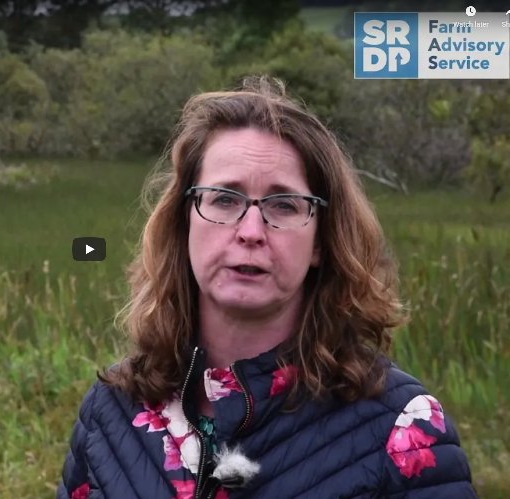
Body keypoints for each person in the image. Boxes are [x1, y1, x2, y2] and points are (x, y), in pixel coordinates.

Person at [56, 76, 477, 499]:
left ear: (320, 241)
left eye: (283, 205)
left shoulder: (404, 427)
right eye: (224, 199)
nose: (251, 231)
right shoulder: (111, 408)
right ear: (184, 221)